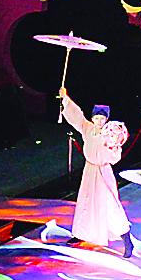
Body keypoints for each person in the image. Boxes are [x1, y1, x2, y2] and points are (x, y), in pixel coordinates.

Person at [58, 88, 134, 256]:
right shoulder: (88, 128)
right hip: (89, 170)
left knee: (109, 205)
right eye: (96, 118)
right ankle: (80, 234)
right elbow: (77, 116)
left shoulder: (111, 134)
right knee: (85, 202)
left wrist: (113, 146)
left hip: (103, 172)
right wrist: (65, 98)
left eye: (102, 118)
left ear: (106, 120)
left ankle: (127, 239)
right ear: (92, 118)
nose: (99, 121)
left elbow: (115, 156)